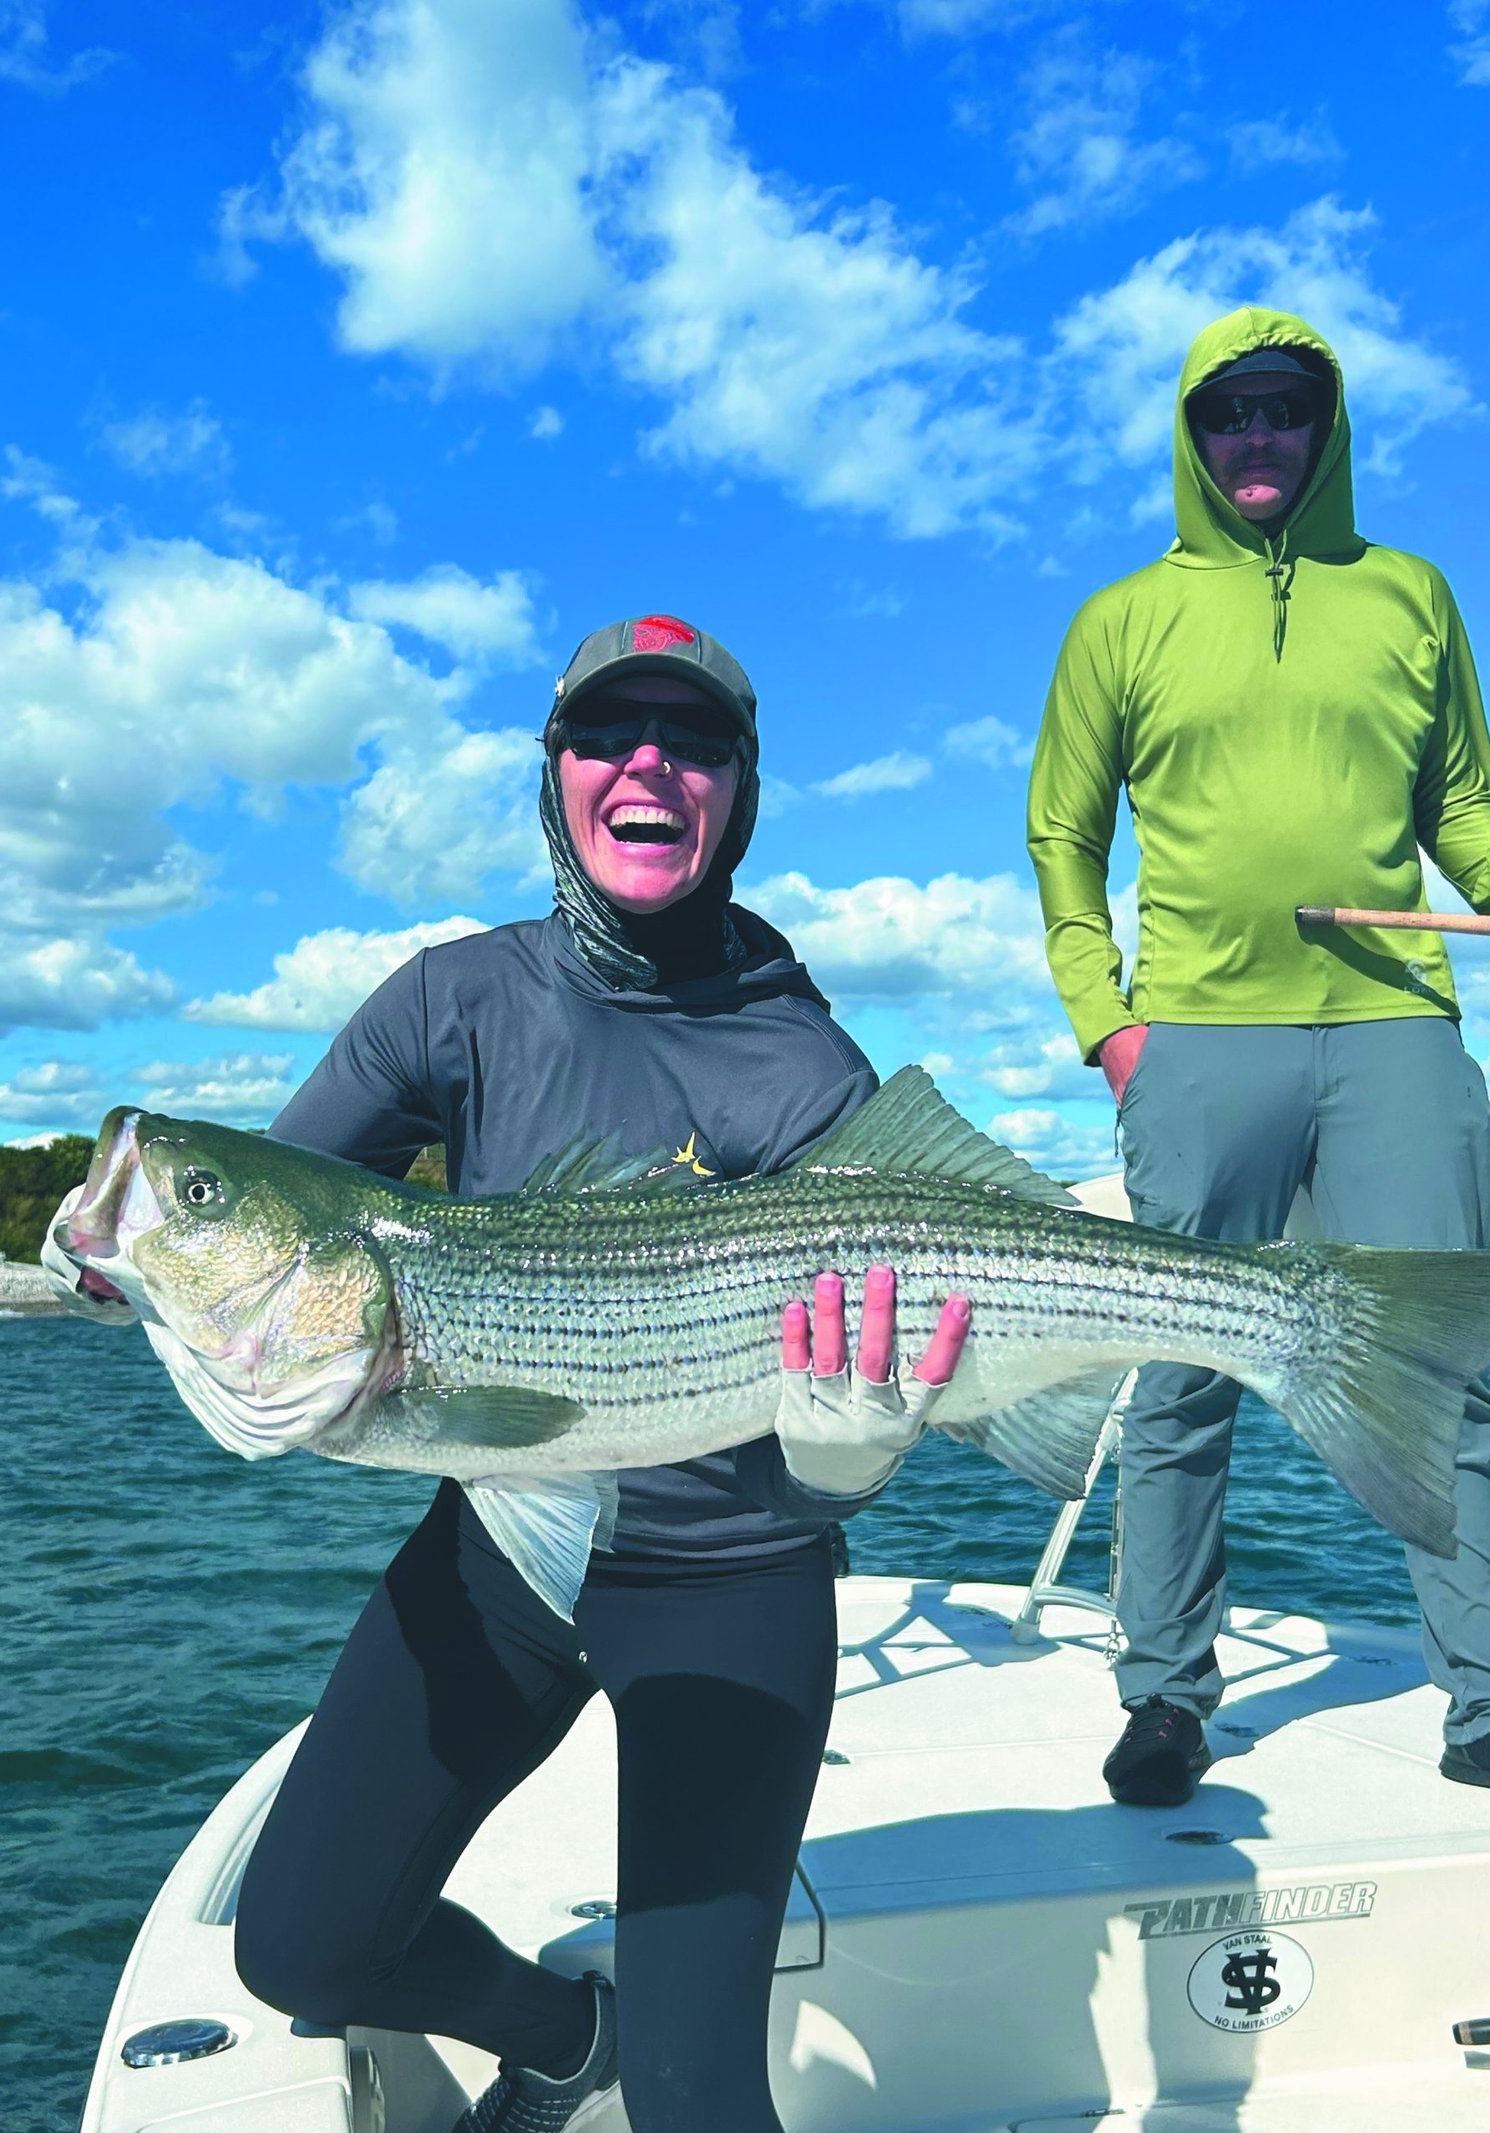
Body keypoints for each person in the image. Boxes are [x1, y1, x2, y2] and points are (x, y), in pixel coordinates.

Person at [227, 614, 970, 2133]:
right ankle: (567, 2036)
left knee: (703, 2105)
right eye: (606, 732)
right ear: (553, 772)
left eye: (693, 741)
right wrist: (146, 1263)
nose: (648, 763)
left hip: (736, 1578)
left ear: (739, 792)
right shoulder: (453, 997)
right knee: (300, 1947)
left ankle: (652, 2058)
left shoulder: (806, 1063)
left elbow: (869, 1399)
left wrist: (854, 1452)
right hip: (504, 1546)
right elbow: (275, 1217)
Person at [1026, 307, 1490, 1812]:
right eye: (1229, 410)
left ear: (1326, 428)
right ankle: (1166, 1694)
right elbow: (1063, 830)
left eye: (1285, 409)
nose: (1257, 434)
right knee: (1185, 1374)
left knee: (1445, 1371)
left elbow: (1465, 804)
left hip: (1396, 1026)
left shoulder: (1412, 594)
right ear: (1194, 432)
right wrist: (1109, 1022)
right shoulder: (1121, 619)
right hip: (1197, 1040)